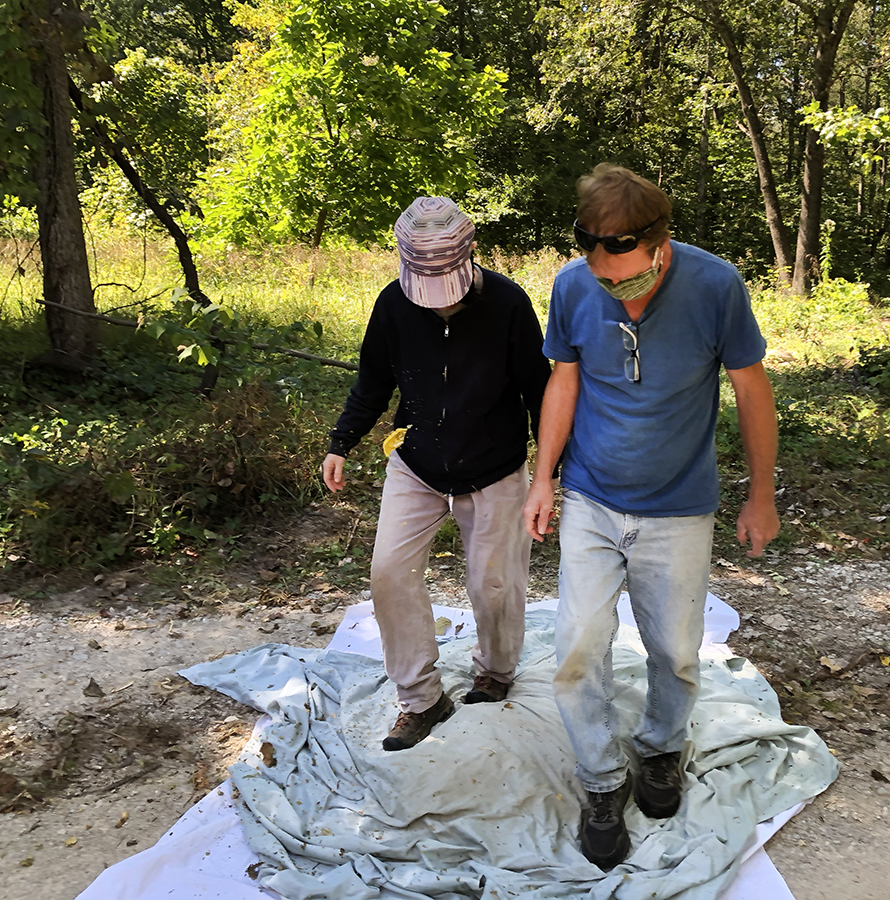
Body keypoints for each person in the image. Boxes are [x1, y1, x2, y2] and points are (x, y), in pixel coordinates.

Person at [522, 164, 780, 869]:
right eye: (600, 272)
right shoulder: (574, 285)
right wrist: (541, 478)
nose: (613, 285)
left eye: (625, 272)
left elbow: (753, 392)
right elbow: (563, 381)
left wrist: (762, 494)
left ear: (661, 242)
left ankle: (662, 750)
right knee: (576, 647)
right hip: (592, 499)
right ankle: (602, 782)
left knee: (675, 652)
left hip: (678, 506)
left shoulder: (716, 286)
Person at [323, 196, 551, 752]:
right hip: (417, 457)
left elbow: (541, 391)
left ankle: (495, 671)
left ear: (469, 258)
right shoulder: (393, 305)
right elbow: (373, 382)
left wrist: (549, 471)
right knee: (388, 573)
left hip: (496, 466)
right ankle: (421, 698)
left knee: (494, 583)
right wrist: (341, 442)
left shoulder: (508, 304)